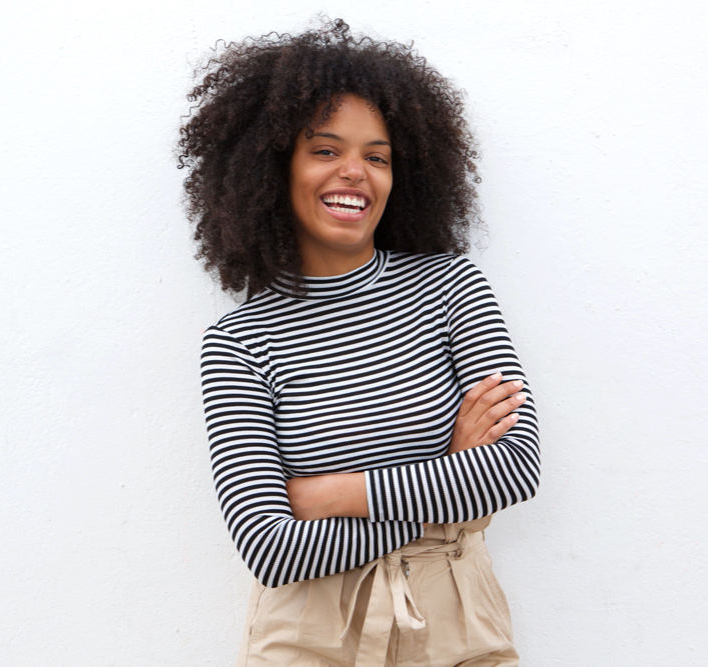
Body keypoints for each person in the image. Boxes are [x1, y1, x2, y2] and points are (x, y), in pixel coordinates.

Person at [179, 19, 540, 666]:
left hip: (455, 620)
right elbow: (272, 547)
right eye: (324, 150)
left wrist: (331, 493)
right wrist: (449, 482)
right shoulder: (238, 343)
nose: (355, 172)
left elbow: (514, 466)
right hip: (308, 635)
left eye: (377, 156)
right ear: (272, 165)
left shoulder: (450, 287)